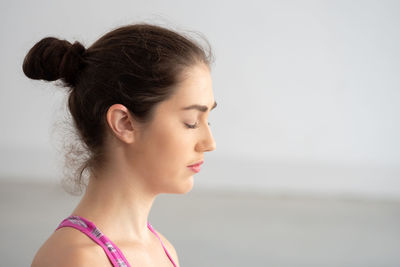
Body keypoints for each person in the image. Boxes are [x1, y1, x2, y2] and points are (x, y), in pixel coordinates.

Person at [23, 23, 217, 267]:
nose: (209, 143)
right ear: (124, 123)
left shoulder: (164, 250)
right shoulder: (76, 259)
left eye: (209, 120)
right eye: (191, 122)